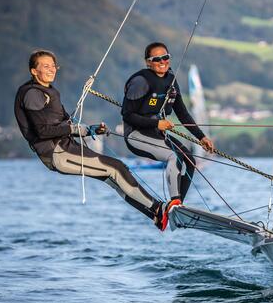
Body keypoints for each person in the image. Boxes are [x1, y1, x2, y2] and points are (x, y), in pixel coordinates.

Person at [14, 49, 166, 230]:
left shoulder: (50, 91)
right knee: (116, 168)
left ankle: (155, 215)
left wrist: (91, 130)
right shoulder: (32, 93)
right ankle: (158, 208)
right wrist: (75, 129)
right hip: (57, 153)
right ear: (33, 70)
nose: (51, 69)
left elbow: (66, 125)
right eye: (46, 66)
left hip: (67, 147)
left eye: (54, 66)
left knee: (113, 177)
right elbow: (42, 131)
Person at [122, 42, 214, 229]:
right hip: (136, 135)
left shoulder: (171, 79)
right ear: (148, 62)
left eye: (165, 57)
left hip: (157, 134)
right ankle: (174, 202)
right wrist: (157, 123)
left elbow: (183, 114)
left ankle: (178, 207)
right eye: (157, 59)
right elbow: (127, 114)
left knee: (189, 160)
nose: (162, 62)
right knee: (174, 157)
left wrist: (201, 137)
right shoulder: (141, 81)